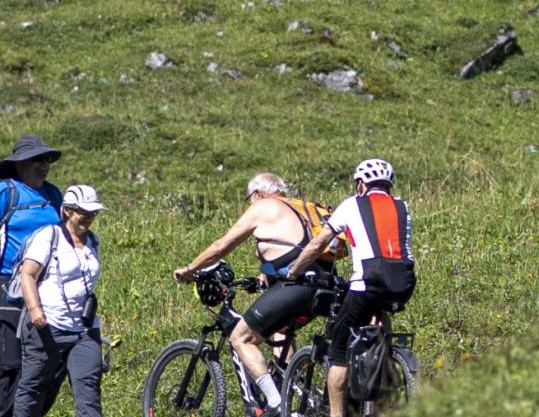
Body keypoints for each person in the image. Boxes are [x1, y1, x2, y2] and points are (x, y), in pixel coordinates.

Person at [173, 173, 326, 417]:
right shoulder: (298, 209)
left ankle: (277, 404)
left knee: (240, 337)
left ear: (258, 194)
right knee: (280, 330)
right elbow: (287, 251)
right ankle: (299, 392)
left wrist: (191, 269)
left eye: (248, 199)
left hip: (296, 287)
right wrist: (261, 281)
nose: (249, 205)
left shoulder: (264, 206)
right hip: (322, 287)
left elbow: (221, 247)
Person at [287, 158, 416, 417]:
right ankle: (384, 369)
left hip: (367, 282)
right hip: (403, 283)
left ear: (360, 185)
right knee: (380, 322)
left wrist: (294, 271)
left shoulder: (352, 205)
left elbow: (318, 244)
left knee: (339, 351)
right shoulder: (403, 207)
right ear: (388, 186)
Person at [0, 135, 64, 417]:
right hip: (6, 285)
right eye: (37, 160)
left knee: (51, 358)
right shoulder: (4, 193)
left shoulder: (54, 195)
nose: (43, 165)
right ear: (20, 164)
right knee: (13, 364)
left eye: (46, 160)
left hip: (44, 286)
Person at [13, 185, 106, 417]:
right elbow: (28, 274)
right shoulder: (49, 236)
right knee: (33, 388)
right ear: (68, 211)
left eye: (93, 212)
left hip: (84, 329)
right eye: (83, 212)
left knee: (89, 390)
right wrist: (35, 311)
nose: (89, 217)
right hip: (47, 326)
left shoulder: (93, 241)